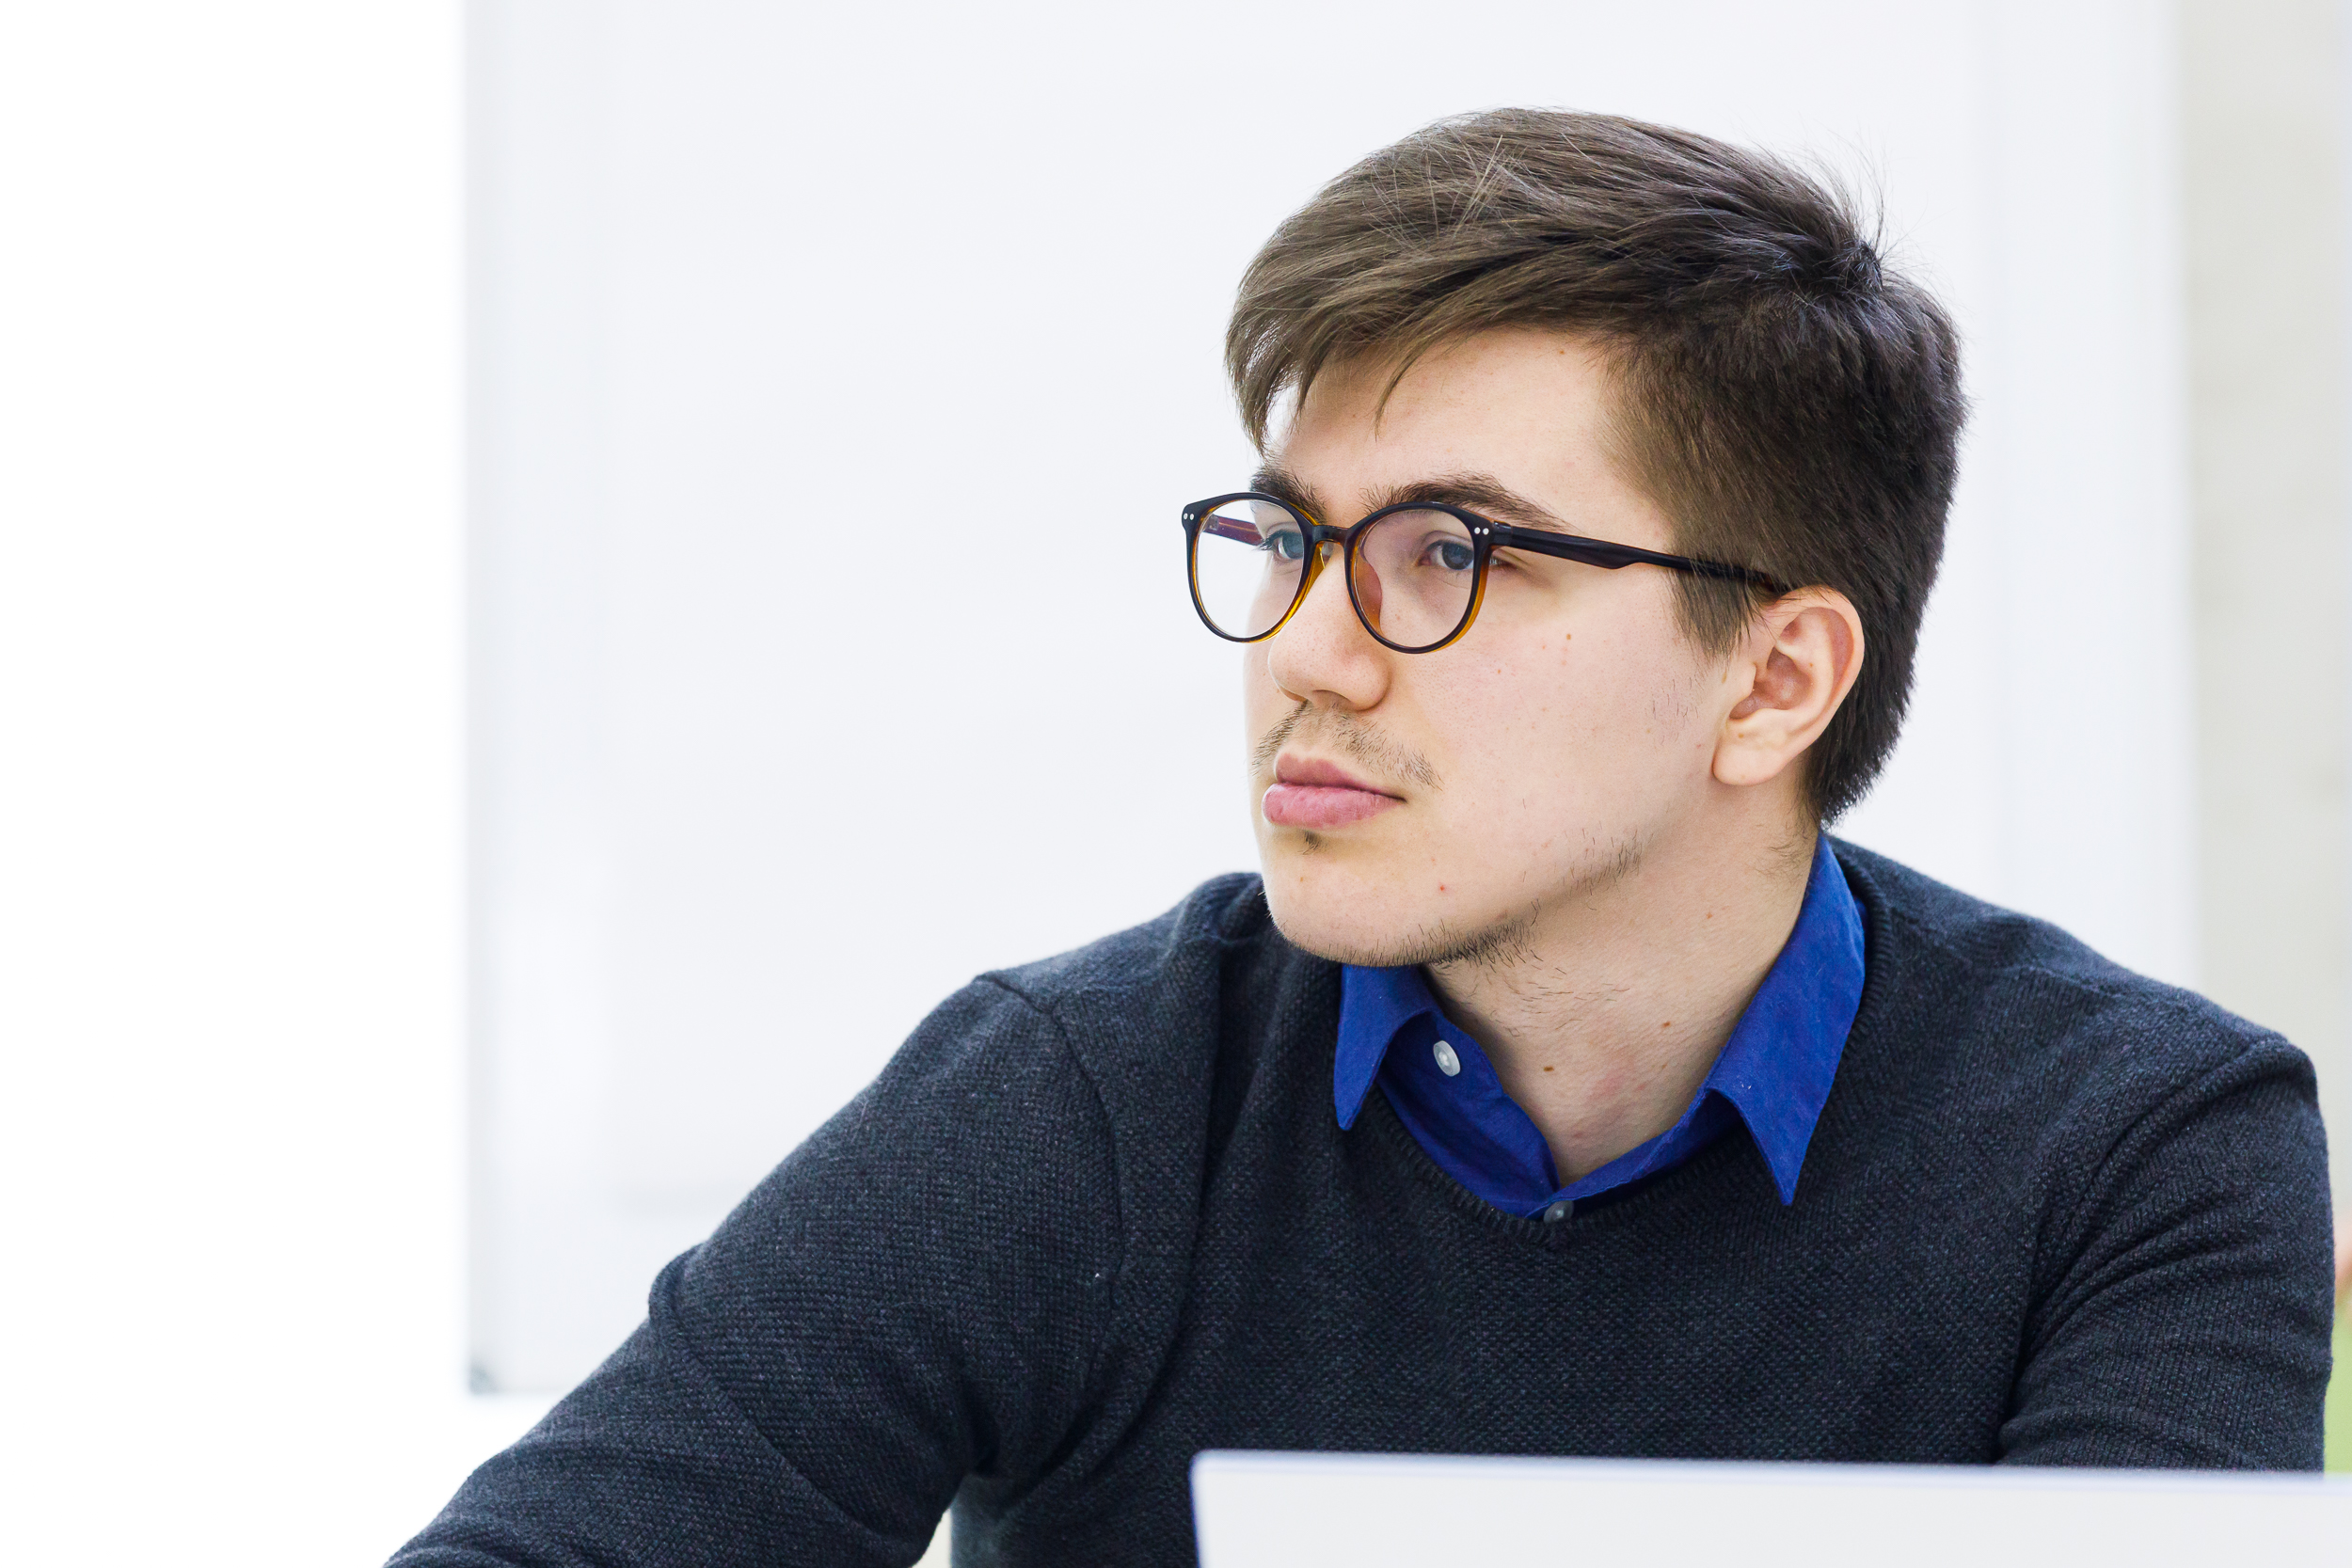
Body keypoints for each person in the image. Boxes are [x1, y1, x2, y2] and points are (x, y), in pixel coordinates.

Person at [392, 109, 2336, 1568]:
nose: (1305, 653)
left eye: (1447, 554)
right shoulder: (1077, 1104)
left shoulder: (2141, 1150)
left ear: (1771, 681)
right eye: (1290, 541)